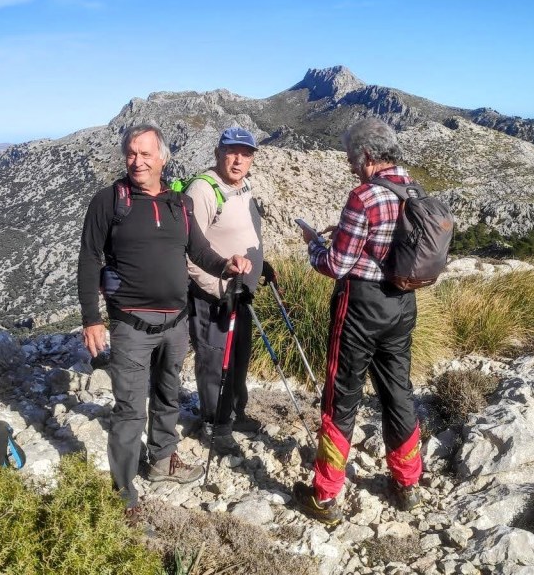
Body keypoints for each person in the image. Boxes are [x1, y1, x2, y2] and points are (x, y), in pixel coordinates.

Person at [77, 124, 252, 522]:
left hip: (176, 322)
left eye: (145, 154)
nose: (137, 161)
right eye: (131, 153)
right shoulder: (109, 201)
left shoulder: (179, 203)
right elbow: (89, 259)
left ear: (163, 158)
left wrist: (226, 264)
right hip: (130, 325)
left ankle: (162, 460)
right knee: (128, 410)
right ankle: (123, 493)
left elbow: (199, 250)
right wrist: (92, 319)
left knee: (168, 395)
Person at [293, 118, 423, 526]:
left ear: (367, 156)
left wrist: (314, 244)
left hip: (361, 308)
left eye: (352, 157)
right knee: (398, 391)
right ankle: (407, 485)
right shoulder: (413, 189)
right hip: (402, 305)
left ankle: (325, 495)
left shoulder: (364, 197)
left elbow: (336, 264)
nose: (350, 164)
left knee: (341, 395)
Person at [185, 127, 266, 456]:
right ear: (218, 152)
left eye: (245, 154)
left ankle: (235, 412)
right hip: (215, 296)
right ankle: (214, 424)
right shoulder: (202, 190)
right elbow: (188, 252)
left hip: (242, 293)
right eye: (231, 152)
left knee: (239, 355)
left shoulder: (243, 186)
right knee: (214, 359)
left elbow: (244, 232)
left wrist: (263, 264)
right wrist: (217, 288)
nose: (238, 159)